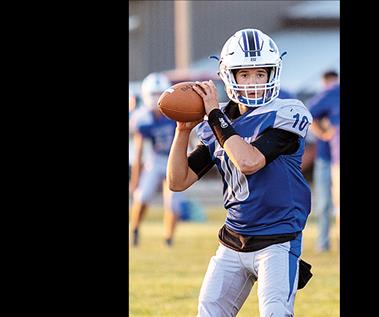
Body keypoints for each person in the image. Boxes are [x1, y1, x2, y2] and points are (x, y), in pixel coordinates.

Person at [167, 28, 313, 317]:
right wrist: (182, 131)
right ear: (228, 76)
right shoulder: (218, 121)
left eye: (261, 74)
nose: (254, 83)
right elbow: (177, 181)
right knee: (208, 313)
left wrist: (214, 117)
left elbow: (249, 161)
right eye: (244, 74)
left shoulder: (286, 112)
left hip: (277, 239)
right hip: (233, 240)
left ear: (273, 74)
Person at [129, 72, 190, 247]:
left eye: (159, 94)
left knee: (174, 203)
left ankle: (169, 239)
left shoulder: (176, 113)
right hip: (155, 159)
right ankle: (134, 228)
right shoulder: (142, 118)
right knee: (143, 195)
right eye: (153, 94)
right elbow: (139, 151)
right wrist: (135, 179)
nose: (156, 99)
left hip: (174, 158)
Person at [307, 70, 340, 247]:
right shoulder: (329, 95)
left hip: (335, 157)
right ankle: (323, 242)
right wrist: (323, 133)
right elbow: (308, 113)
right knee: (325, 203)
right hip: (326, 157)